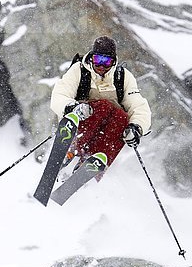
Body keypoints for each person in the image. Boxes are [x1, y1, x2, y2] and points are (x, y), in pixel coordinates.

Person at [50, 36, 151, 172]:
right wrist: (72, 107)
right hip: (82, 123)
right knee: (104, 106)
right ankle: (70, 149)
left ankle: (90, 167)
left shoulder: (123, 77)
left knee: (122, 118)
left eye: (106, 61)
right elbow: (59, 94)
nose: (101, 66)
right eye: (98, 60)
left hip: (105, 133)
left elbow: (138, 106)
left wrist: (136, 128)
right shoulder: (79, 71)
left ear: (114, 62)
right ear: (92, 58)